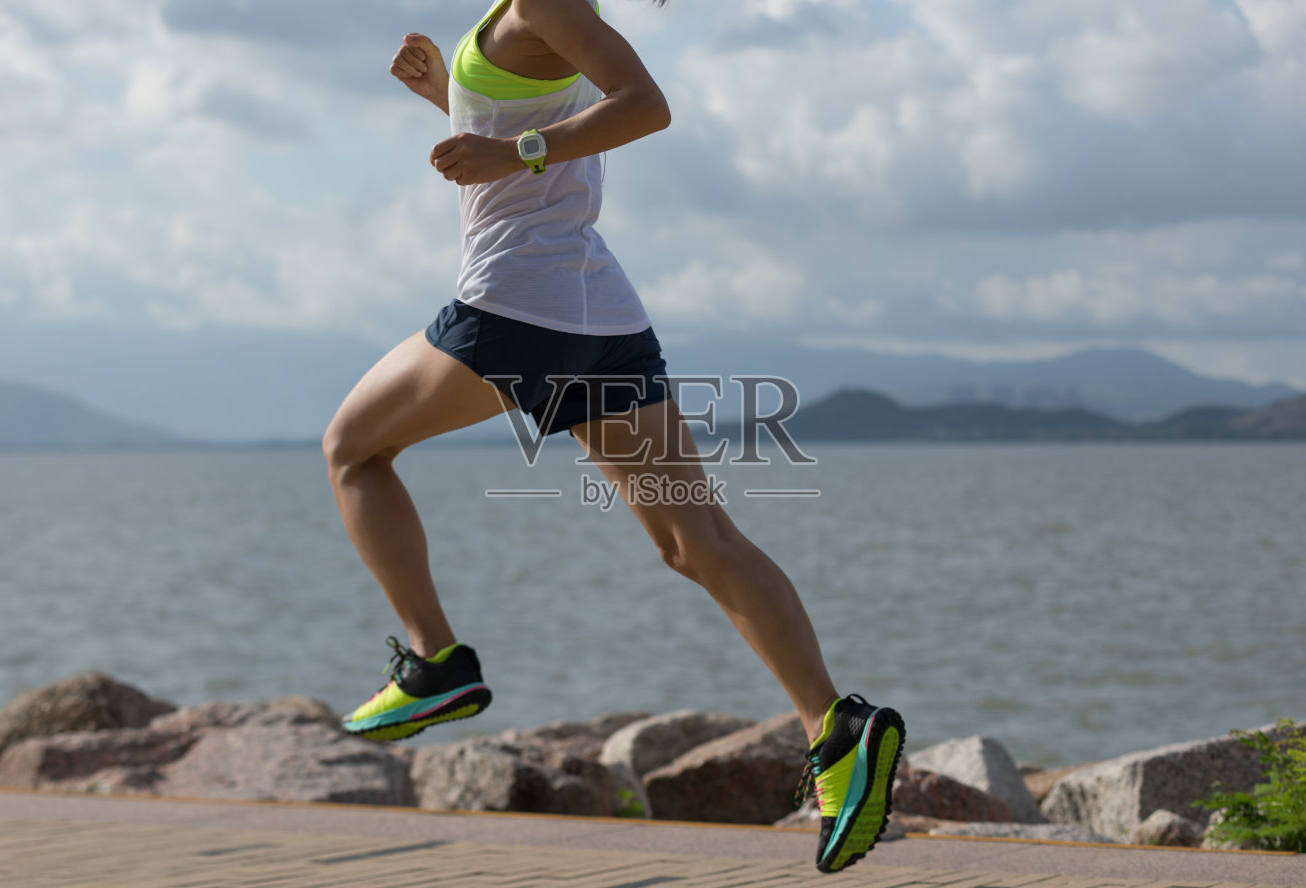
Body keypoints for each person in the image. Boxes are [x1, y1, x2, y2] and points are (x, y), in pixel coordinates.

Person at [322, 0, 905, 873]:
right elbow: (539, 129)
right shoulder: (531, 13)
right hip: (598, 312)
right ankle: (835, 732)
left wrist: (506, 149)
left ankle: (436, 663)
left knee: (353, 450)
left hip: (516, 304)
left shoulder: (543, 1)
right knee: (695, 540)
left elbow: (644, 104)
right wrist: (449, 97)